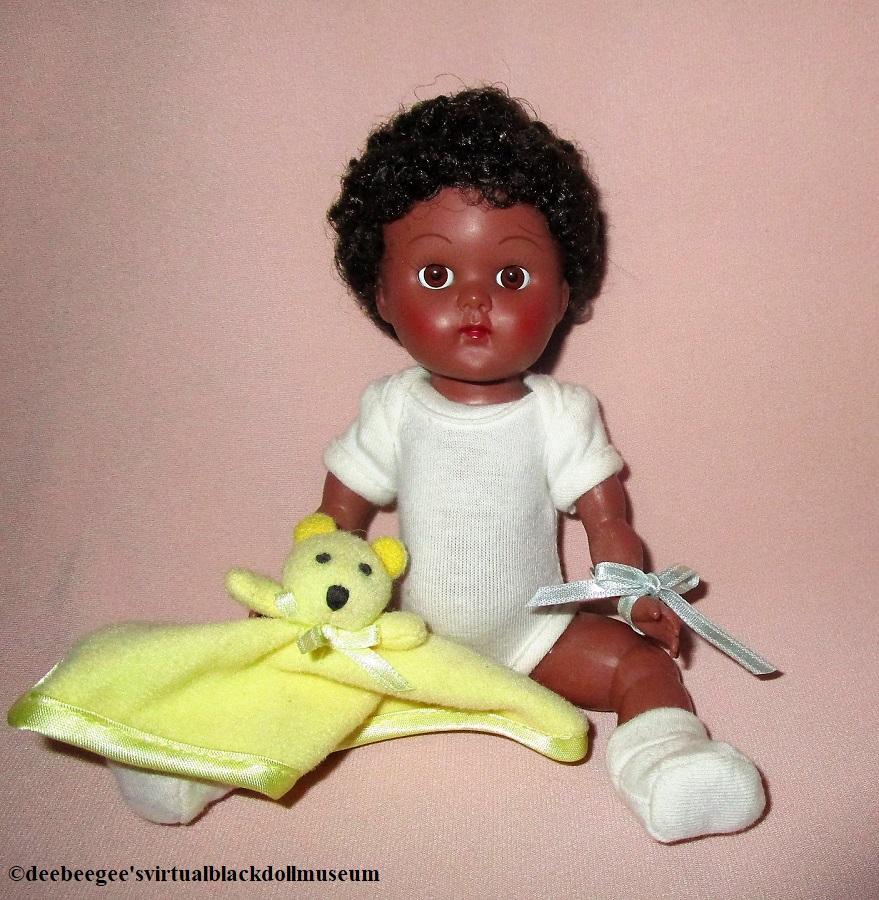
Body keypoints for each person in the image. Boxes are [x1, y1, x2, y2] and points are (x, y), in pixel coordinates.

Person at [318, 86, 766, 843]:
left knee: (643, 668)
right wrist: (312, 586)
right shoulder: (392, 407)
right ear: (382, 294)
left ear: (562, 295)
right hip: (409, 638)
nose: (475, 301)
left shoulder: (560, 414)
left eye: (511, 277)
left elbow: (607, 522)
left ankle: (670, 768)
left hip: (536, 637)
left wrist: (631, 593)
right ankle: (188, 762)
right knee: (295, 671)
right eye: (436, 275)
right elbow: (336, 517)